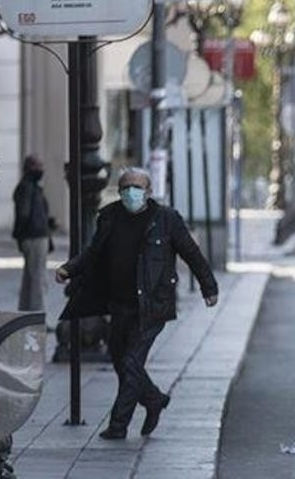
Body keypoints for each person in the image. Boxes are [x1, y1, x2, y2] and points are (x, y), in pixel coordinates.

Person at [55, 167, 219, 440]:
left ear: (149, 191)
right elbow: (94, 252)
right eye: (126, 187)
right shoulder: (109, 217)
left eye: (137, 187)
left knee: (131, 361)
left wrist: (208, 287)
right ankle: (153, 399)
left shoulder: (166, 219)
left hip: (153, 305)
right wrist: (69, 269)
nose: (132, 192)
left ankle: (118, 425)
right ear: (119, 191)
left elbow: (191, 253)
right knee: (121, 361)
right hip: (119, 303)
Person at [11, 155, 54, 311]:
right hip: (34, 236)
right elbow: (24, 214)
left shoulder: (30, 187)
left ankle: (26, 312)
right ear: (30, 169)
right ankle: (37, 315)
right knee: (37, 278)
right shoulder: (28, 188)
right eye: (38, 166)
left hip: (34, 236)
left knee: (31, 277)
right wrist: (23, 235)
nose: (41, 170)